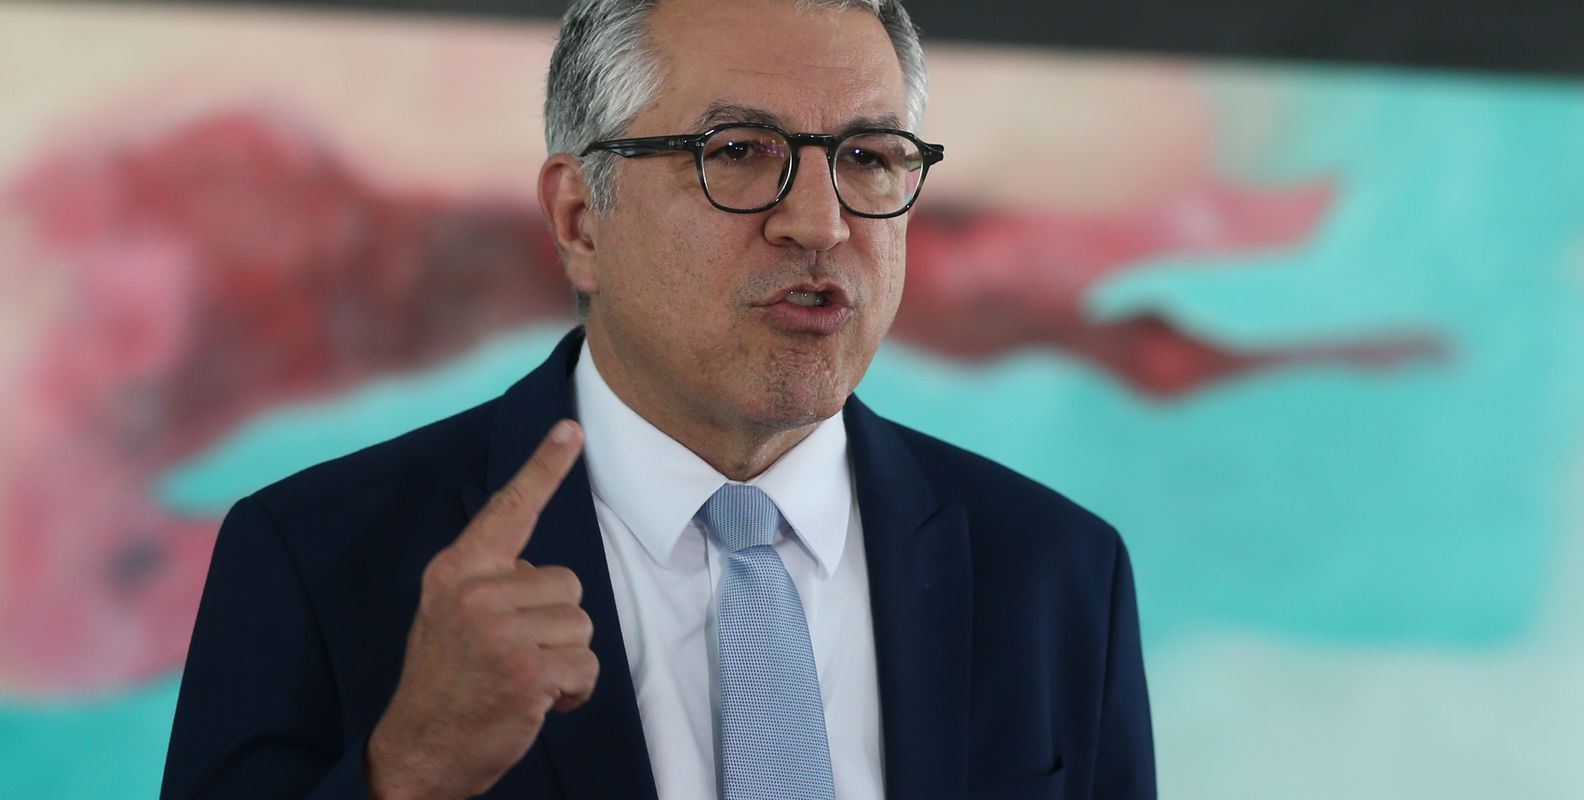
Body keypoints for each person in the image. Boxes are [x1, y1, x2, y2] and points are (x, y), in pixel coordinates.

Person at [160, 0, 1156, 797]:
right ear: (580, 219)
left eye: (867, 157)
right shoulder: (313, 558)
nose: (819, 223)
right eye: (738, 151)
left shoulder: (1059, 572)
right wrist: (407, 774)